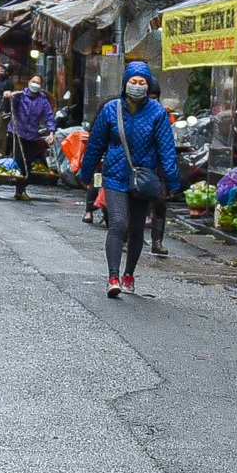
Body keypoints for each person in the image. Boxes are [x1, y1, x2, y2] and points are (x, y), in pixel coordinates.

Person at [80, 59, 180, 298]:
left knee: (136, 229)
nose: (137, 86)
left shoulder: (157, 113)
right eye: (133, 81)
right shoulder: (110, 109)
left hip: (142, 179)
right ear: (125, 84)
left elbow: (166, 149)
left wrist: (173, 181)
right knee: (118, 224)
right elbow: (95, 144)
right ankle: (113, 277)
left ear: (148, 86)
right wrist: (86, 172)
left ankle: (129, 274)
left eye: (142, 82)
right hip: (114, 176)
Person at [7, 71, 56, 200]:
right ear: (28, 82)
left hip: (32, 135)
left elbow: (49, 117)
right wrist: (8, 95)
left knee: (27, 163)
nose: (35, 84)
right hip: (17, 133)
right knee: (20, 160)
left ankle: (21, 188)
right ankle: (19, 188)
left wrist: (51, 132)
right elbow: (12, 100)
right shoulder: (20, 96)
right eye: (33, 82)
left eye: (38, 83)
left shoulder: (43, 101)